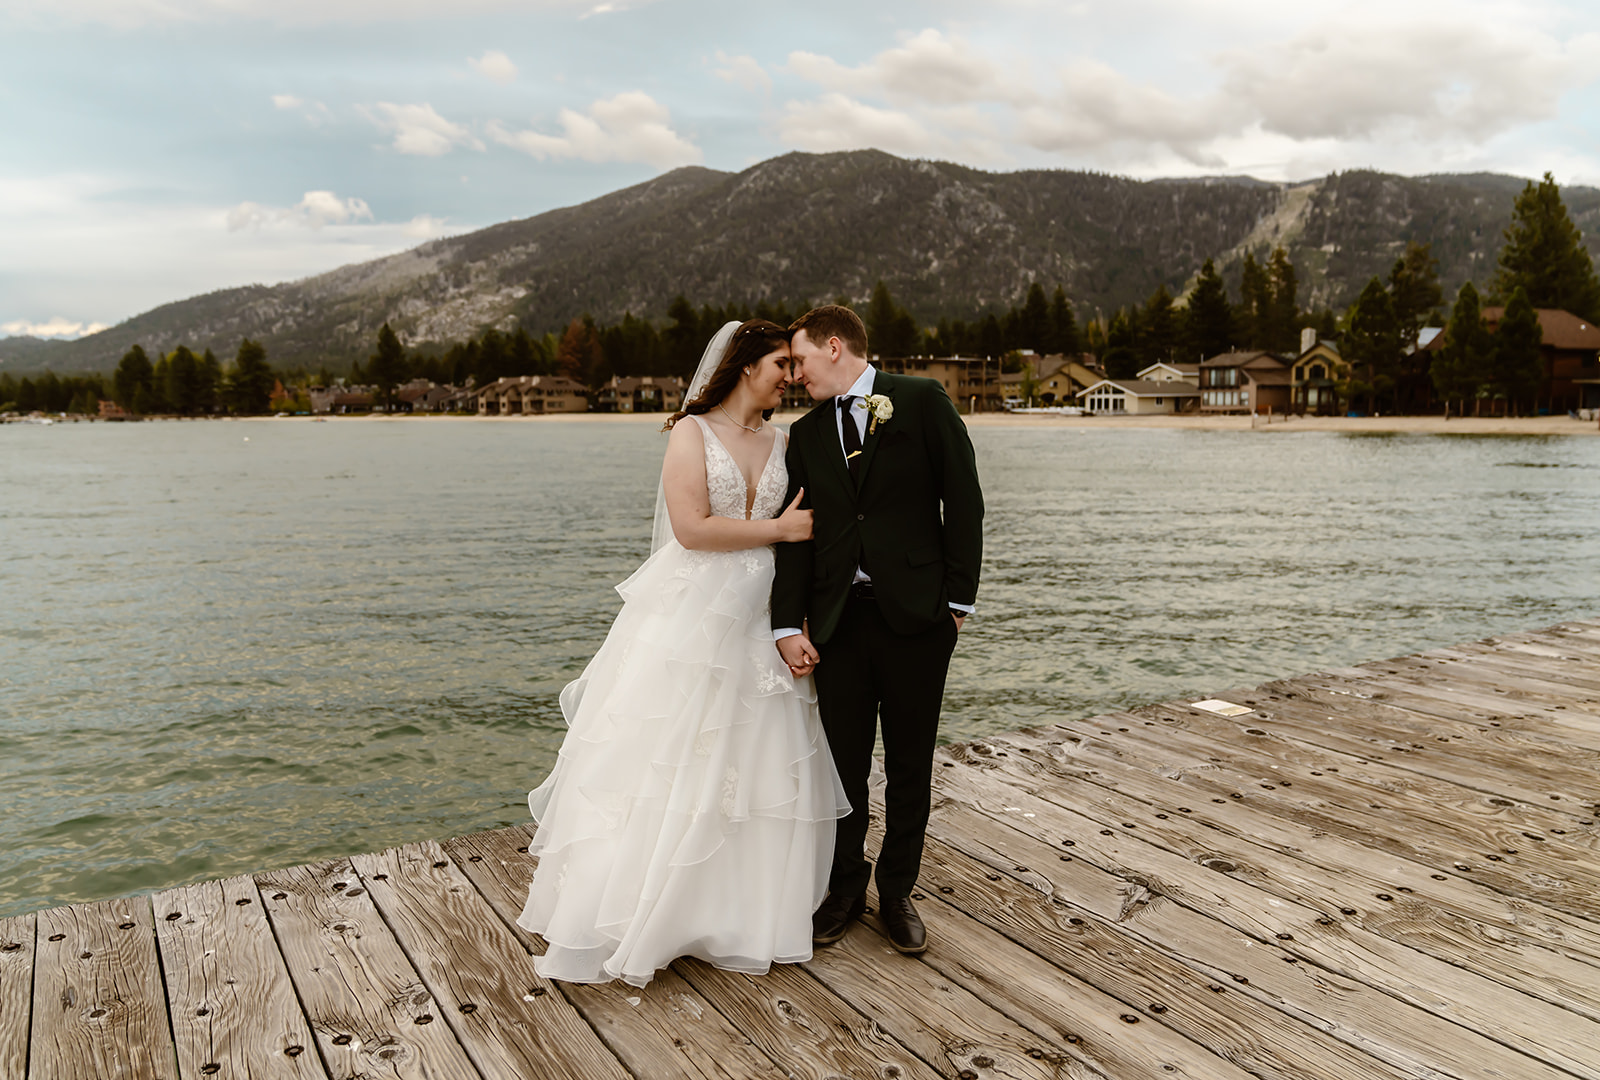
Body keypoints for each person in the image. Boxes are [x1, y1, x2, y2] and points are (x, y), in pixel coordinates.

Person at [517, 319, 849, 988]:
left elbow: (805, 540)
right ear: (746, 363)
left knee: (757, 758)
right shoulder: (690, 433)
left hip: (765, 616)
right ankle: (646, 909)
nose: (791, 374)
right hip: (697, 611)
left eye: (794, 363)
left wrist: (799, 613)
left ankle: (738, 910)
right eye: (781, 362)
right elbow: (693, 528)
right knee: (672, 751)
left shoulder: (785, 440)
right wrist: (777, 528)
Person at [772, 305, 983, 956]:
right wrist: (787, 622)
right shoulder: (805, 435)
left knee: (911, 763)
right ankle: (843, 890)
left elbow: (964, 498)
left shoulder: (920, 401)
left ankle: (897, 891)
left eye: (800, 361)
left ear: (834, 348)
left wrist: (958, 604)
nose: (794, 376)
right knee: (843, 767)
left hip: (919, 618)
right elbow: (798, 538)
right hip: (838, 622)